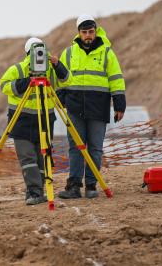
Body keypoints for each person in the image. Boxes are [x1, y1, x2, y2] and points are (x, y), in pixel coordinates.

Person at [57, 14, 126, 199]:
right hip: (75, 107)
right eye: (84, 32)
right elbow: (62, 79)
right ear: (78, 33)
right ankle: (73, 187)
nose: (88, 35)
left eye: (91, 31)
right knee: (76, 147)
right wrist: (61, 98)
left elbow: (116, 79)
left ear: (96, 31)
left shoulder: (106, 52)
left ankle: (91, 185)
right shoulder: (69, 53)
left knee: (95, 148)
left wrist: (119, 104)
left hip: (98, 107)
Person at [0, 37, 70, 205]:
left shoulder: (50, 69)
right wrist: (27, 82)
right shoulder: (17, 69)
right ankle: (33, 192)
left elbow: (67, 80)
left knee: (42, 157)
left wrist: (57, 64)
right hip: (21, 120)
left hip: (45, 119)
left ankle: (39, 191)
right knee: (27, 157)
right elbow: (4, 86)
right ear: (27, 54)